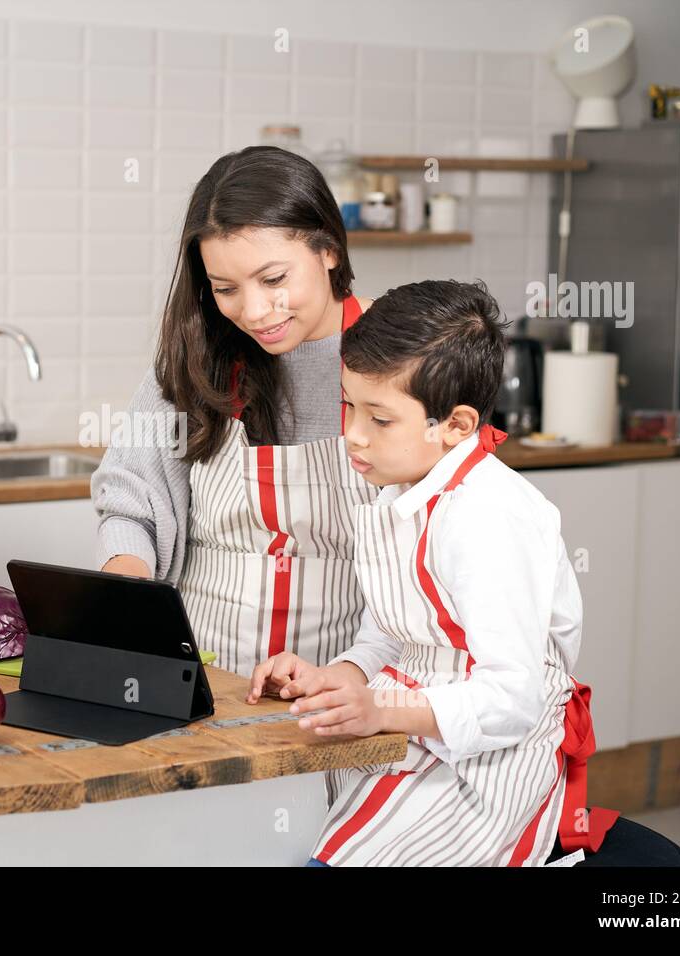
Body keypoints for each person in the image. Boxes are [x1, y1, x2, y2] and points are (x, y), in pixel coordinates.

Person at [249, 279, 618, 866]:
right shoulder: (400, 484)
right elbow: (391, 631)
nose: (353, 435)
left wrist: (381, 712)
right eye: (349, 406)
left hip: (494, 757)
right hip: (411, 728)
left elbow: (510, 700)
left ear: (457, 425)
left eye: (381, 418)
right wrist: (340, 675)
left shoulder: (486, 517)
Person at [90, 145, 377, 677]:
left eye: (273, 280)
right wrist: (127, 576)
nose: (253, 311)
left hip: (345, 686)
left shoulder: (399, 359)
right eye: (225, 288)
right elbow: (130, 498)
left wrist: (354, 675)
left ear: (329, 249)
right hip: (198, 677)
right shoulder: (197, 358)